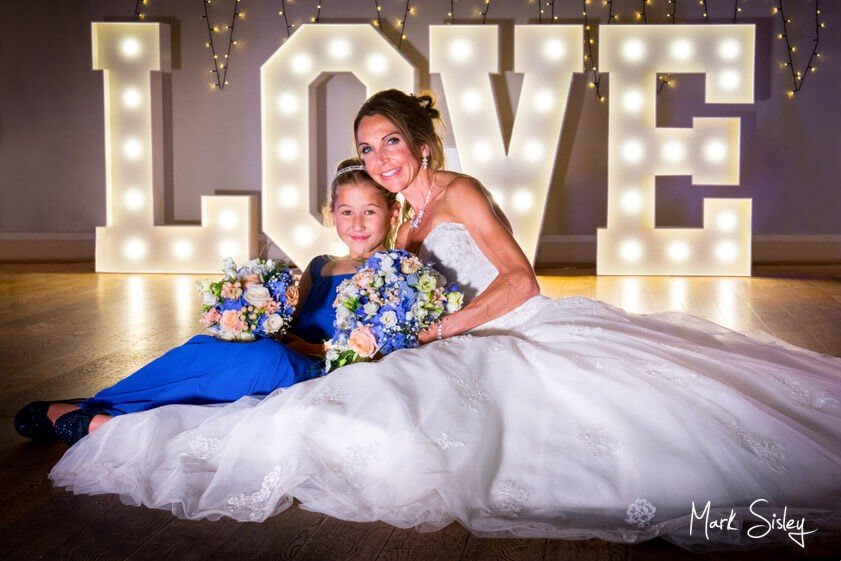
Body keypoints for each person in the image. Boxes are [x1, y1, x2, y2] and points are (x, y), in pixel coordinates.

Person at [50, 90, 841, 551]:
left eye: (392, 140)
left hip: (507, 327)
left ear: (421, 141)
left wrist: (432, 332)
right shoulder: (396, 218)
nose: (382, 154)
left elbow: (519, 278)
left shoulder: (456, 191)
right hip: (437, 334)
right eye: (368, 146)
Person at [15, 158, 401, 446]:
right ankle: (97, 404)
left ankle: (113, 420)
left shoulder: (392, 272)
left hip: (320, 365)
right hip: (288, 347)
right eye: (346, 211)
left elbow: (382, 346)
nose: (357, 223)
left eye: (370, 212)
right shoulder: (320, 266)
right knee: (210, 345)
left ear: (391, 213)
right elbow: (290, 323)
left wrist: (305, 347)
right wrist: (253, 316)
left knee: (268, 360)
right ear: (332, 214)